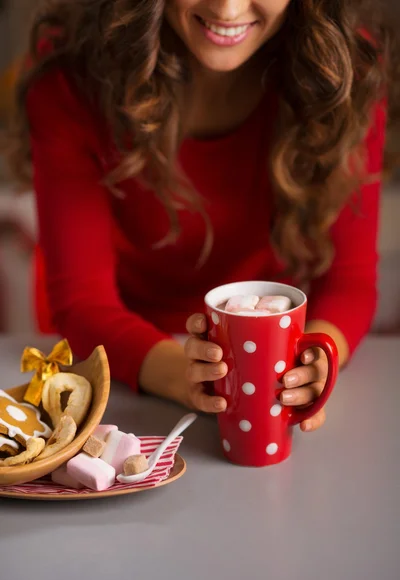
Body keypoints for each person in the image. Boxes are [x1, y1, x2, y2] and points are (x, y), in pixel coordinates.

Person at [8, 0, 399, 432]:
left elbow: (349, 281)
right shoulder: (71, 76)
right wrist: (191, 377)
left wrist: (314, 360)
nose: (227, 9)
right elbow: (83, 303)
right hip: (118, 357)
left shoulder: (345, 72)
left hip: (268, 355)